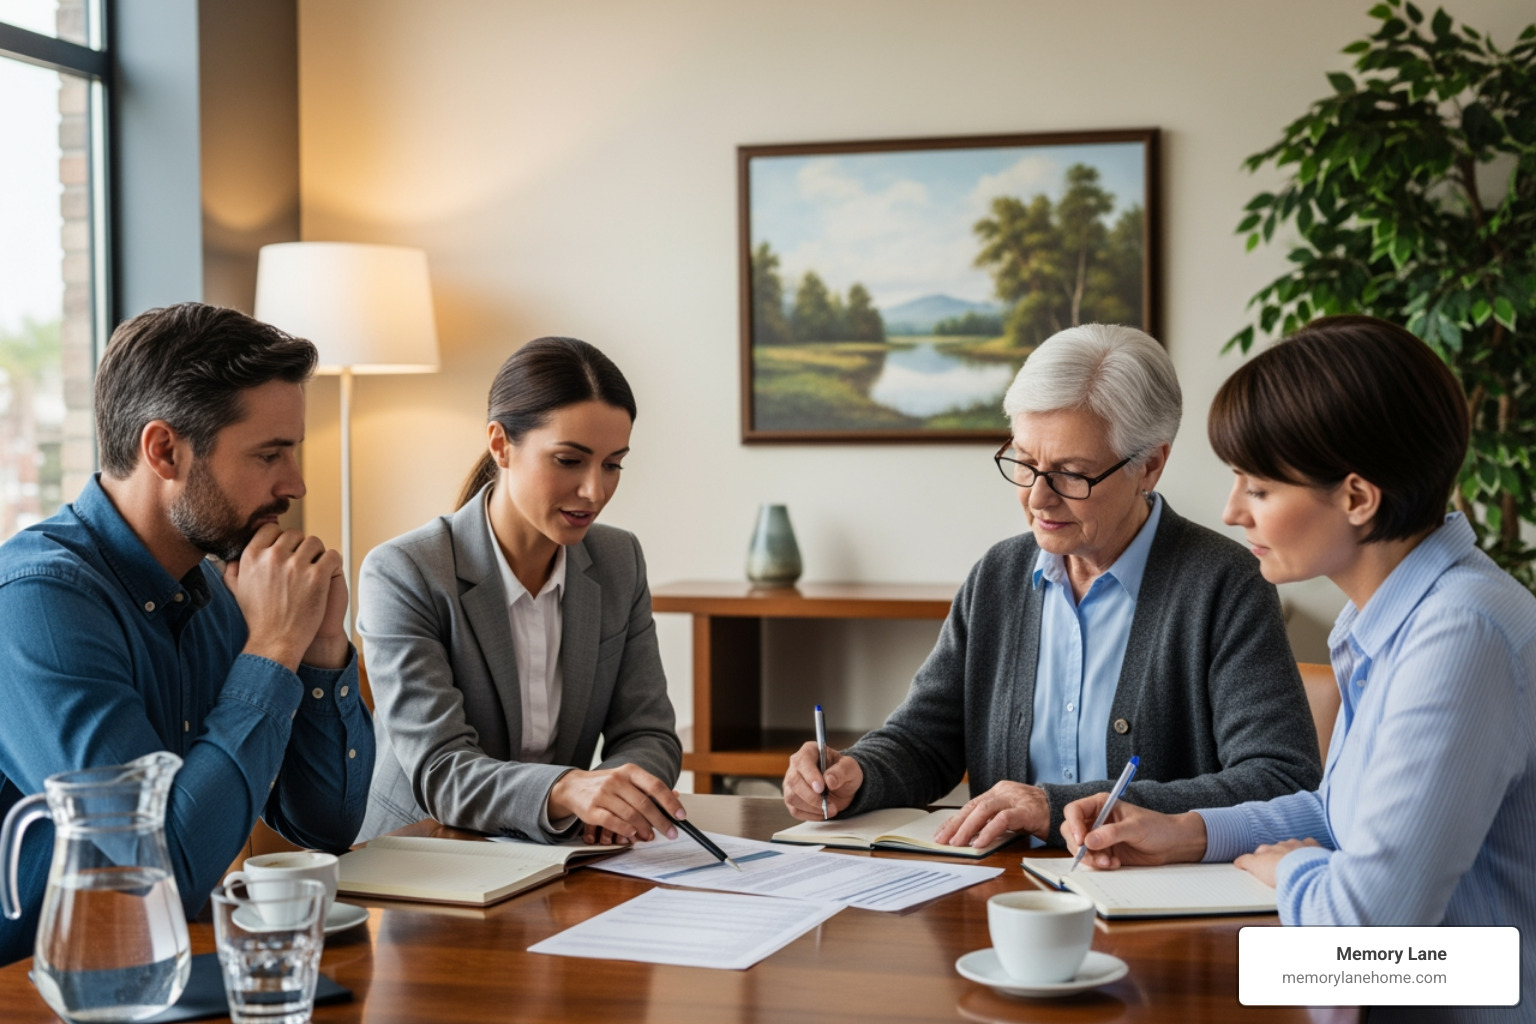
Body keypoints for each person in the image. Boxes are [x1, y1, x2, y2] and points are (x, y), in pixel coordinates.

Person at [1064, 316, 1535, 1020]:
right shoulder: (1394, 616)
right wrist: (1189, 831)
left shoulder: (1460, 635)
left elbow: (1367, 931)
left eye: (1257, 488)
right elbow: (1342, 815)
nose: (1230, 511)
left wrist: (1289, 867)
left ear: (1356, 498)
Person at [783, 323, 1323, 848]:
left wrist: (1055, 805)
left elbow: (1279, 781)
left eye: (1070, 473)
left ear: (1150, 466)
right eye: (1024, 461)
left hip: (1152, 902)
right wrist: (857, 772)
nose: (1038, 499)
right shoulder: (997, 576)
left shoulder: (1225, 584)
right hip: (1005, 897)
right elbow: (925, 740)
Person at [0, 303, 375, 966]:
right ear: (164, 450)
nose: (296, 483)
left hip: (159, 973)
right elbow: (160, 868)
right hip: (37, 987)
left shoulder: (224, 593)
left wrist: (319, 651)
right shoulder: (37, 603)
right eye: (269, 455)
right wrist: (273, 649)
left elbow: (326, 826)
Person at [357, 336, 683, 847]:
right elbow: (441, 771)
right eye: (569, 460)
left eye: (613, 464)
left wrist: (618, 795)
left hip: (561, 856)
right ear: (500, 444)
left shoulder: (619, 561)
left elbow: (649, 733)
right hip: (423, 856)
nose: (595, 491)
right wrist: (568, 789)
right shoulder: (405, 571)